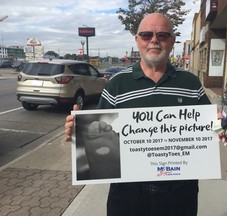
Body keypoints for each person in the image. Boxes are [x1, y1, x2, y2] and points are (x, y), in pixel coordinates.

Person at [65, 13, 211, 216]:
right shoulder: (117, 83)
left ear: (172, 40)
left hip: (179, 194)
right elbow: (95, 128)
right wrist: (78, 130)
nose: (154, 40)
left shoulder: (191, 83)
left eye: (162, 35)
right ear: (137, 40)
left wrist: (226, 123)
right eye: (146, 35)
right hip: (127, 194)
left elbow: (208, 131)